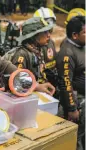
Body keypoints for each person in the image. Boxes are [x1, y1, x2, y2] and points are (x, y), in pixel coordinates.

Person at [3, 17, 56, 96]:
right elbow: (17, 81)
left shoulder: (38, 51)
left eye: (49, 31)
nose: (48, 35)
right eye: (45, 32)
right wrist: (36, 87)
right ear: (34, 36)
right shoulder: (22, 54)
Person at [56, 16, 85, 150]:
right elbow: (65, 82)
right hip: (78, 102)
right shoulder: (67, 53)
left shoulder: (82, 45)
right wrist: (72, 108)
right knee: (77, 137)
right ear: (75, 35)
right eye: (85, 32)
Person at [32, 7, 59, 97]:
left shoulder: (51, 42)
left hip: (51, 87)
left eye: (49, 29)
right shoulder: (31, 48)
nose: (48, 34)